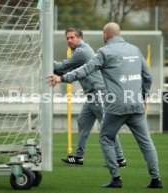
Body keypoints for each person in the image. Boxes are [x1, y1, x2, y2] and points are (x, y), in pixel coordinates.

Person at [47, 23, 163, 189]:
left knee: (106, 137)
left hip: (115, 106)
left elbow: (85, 69)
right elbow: (148, 77)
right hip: (136, 104)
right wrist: (144, 96)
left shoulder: (104, 51)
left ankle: (116, 178)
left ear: (106, 35)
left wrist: (63, 78)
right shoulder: (135, 50)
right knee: (146, 143)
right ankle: (156, 179)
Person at [54, 27, 127, 168]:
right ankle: (79, 157)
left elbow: (61, 68)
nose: (69, 40)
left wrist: (45, 61)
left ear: (79, 37)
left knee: (107, 127)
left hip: (98, 93)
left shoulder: (81, 52)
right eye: (67, 38)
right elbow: (67, 69)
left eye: (72, 37)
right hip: (92, 95)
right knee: (82, 122)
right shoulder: (80, 51)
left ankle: (120, 159)